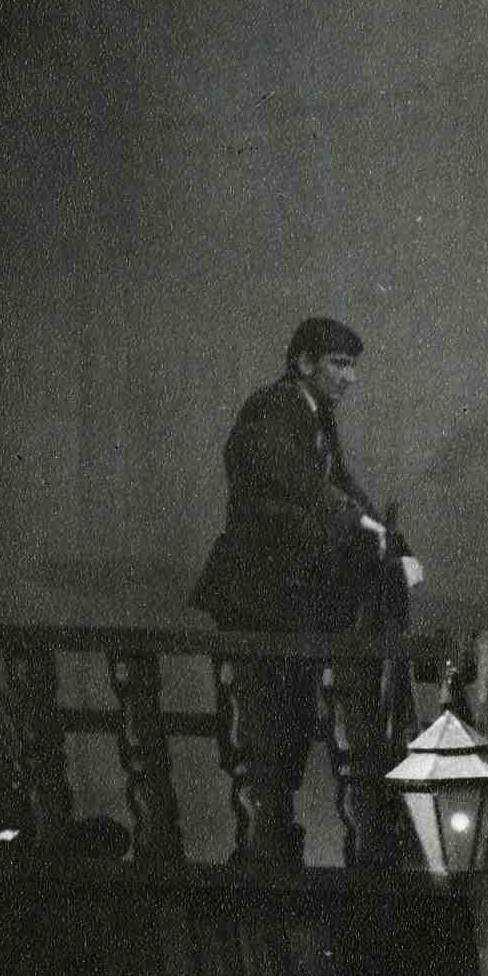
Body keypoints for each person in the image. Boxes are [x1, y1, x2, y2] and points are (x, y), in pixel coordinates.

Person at [190, 315, 423, 864]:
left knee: (280, 730)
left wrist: (392, 543)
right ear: (304, 363)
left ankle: (271, 848)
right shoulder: (273, 409)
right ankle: (264, 854)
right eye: (339, 364)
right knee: (259, 731)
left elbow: (341, 488)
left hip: (286, 600)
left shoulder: (314, 415)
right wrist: (363, 528)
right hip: (256, 597)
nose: (349, 377)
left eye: (353, 366)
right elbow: (298, 480)